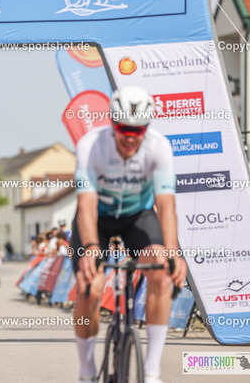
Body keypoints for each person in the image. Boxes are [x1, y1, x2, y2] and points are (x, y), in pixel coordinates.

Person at [70, 86, 187, 383]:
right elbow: (86, 203)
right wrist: (91, 247)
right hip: (97, 218)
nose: (131, 137)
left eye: (139, 130)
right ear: (113, 123)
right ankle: (86, 369)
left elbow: (166, 204)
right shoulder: (90, 145)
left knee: (162, 272)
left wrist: (173, 252)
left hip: (138, 216)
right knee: (89, 287)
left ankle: (152, 371)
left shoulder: (159, 146)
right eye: (124, 129)